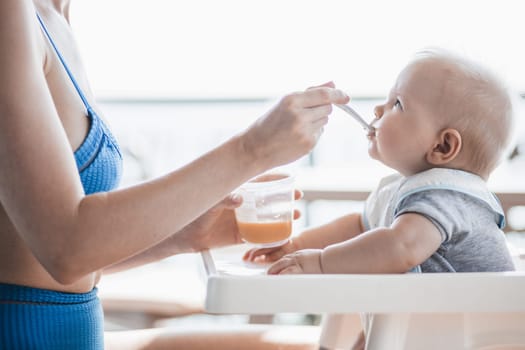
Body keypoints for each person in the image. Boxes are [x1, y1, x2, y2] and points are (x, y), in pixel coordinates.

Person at [0, 0, 350, 349]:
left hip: (72, 334)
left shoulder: (54, 15)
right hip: (29, 336)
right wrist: (252, 150)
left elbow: (36, 254)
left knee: (311, 343)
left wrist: (181, 235)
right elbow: (65, 248)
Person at [243, 48, 516, 348]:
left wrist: (320, 263)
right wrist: (296, 246)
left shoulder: (449, 195)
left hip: (472, 337)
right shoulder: (407, 191)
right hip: (426, 326)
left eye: (397, 104)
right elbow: (360, 227)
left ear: (443, 145)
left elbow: (400, 247)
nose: (377, 110)